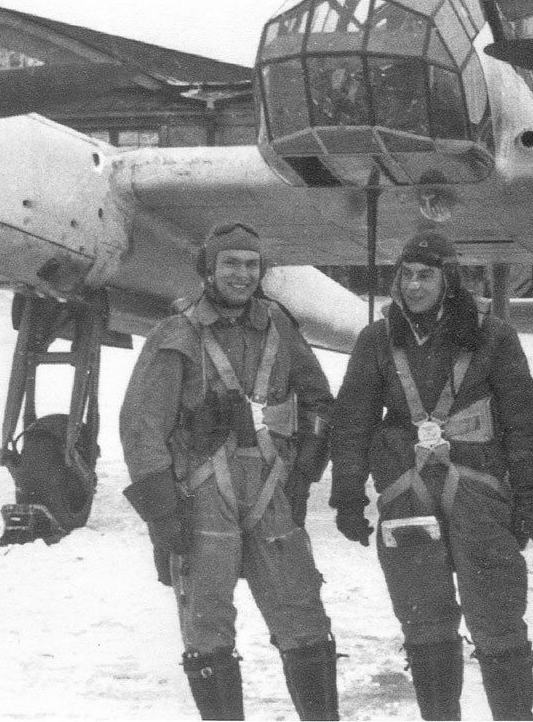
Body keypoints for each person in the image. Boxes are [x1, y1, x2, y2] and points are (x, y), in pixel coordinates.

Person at [119, 222, 339, 720]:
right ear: (208, 270)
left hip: (272, 488)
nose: (242, 275)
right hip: (201, 495)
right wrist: (163, 516)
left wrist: (303, 477)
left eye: (251, 265)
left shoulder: (279, 325)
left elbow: (319, 402)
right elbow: (142, 428)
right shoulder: (176, 334)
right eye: (230, 264)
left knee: (302, 613)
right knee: (207, 626)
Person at [328, 230, 533, 721]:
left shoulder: (493, 336)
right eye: (406, 275)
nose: (414, 286)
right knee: (423, 622)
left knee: (498, 618)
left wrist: (530, 494)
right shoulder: (377, 340)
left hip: (480, 491)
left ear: (449, 280)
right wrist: (346, 496)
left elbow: (522, 420)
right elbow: (353, 420)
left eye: (425, 275)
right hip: (406, 492)